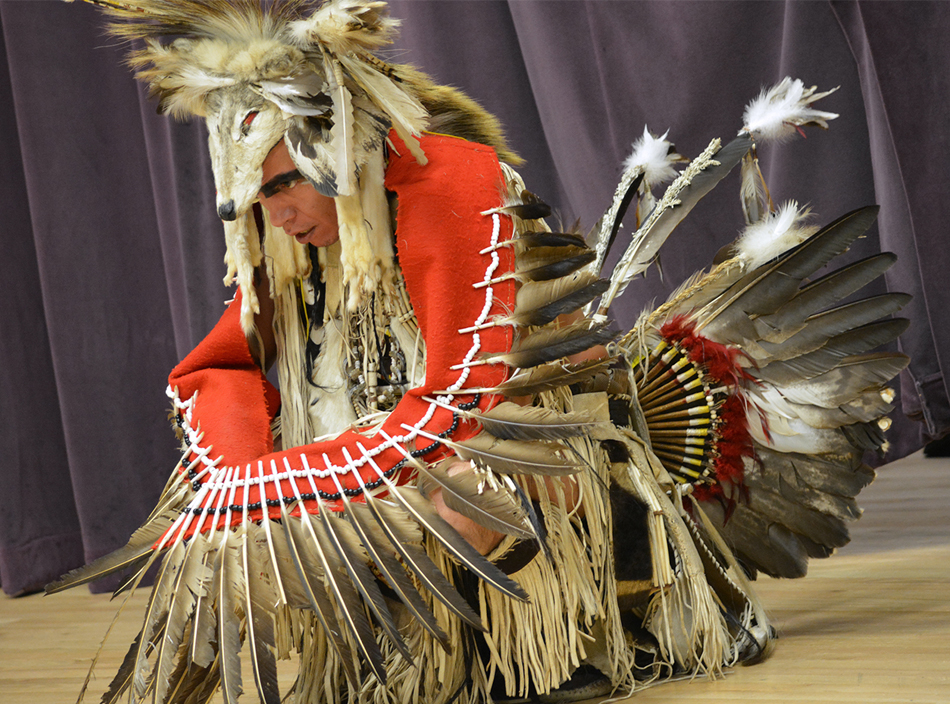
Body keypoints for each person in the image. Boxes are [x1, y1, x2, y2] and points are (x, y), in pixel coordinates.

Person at [52, 3, 907, 704]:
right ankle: (417, 660)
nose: (270, 213)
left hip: (540, 461)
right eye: (249, 197)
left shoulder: (449, 185)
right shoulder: (296, 247)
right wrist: (236, 486)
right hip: (411, 459)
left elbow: (461, 403)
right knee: (219, 534)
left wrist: (276, 489)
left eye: (281, 184)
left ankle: (558, 643)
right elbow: (214, 371)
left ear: (336, 150)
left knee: (463, 486)